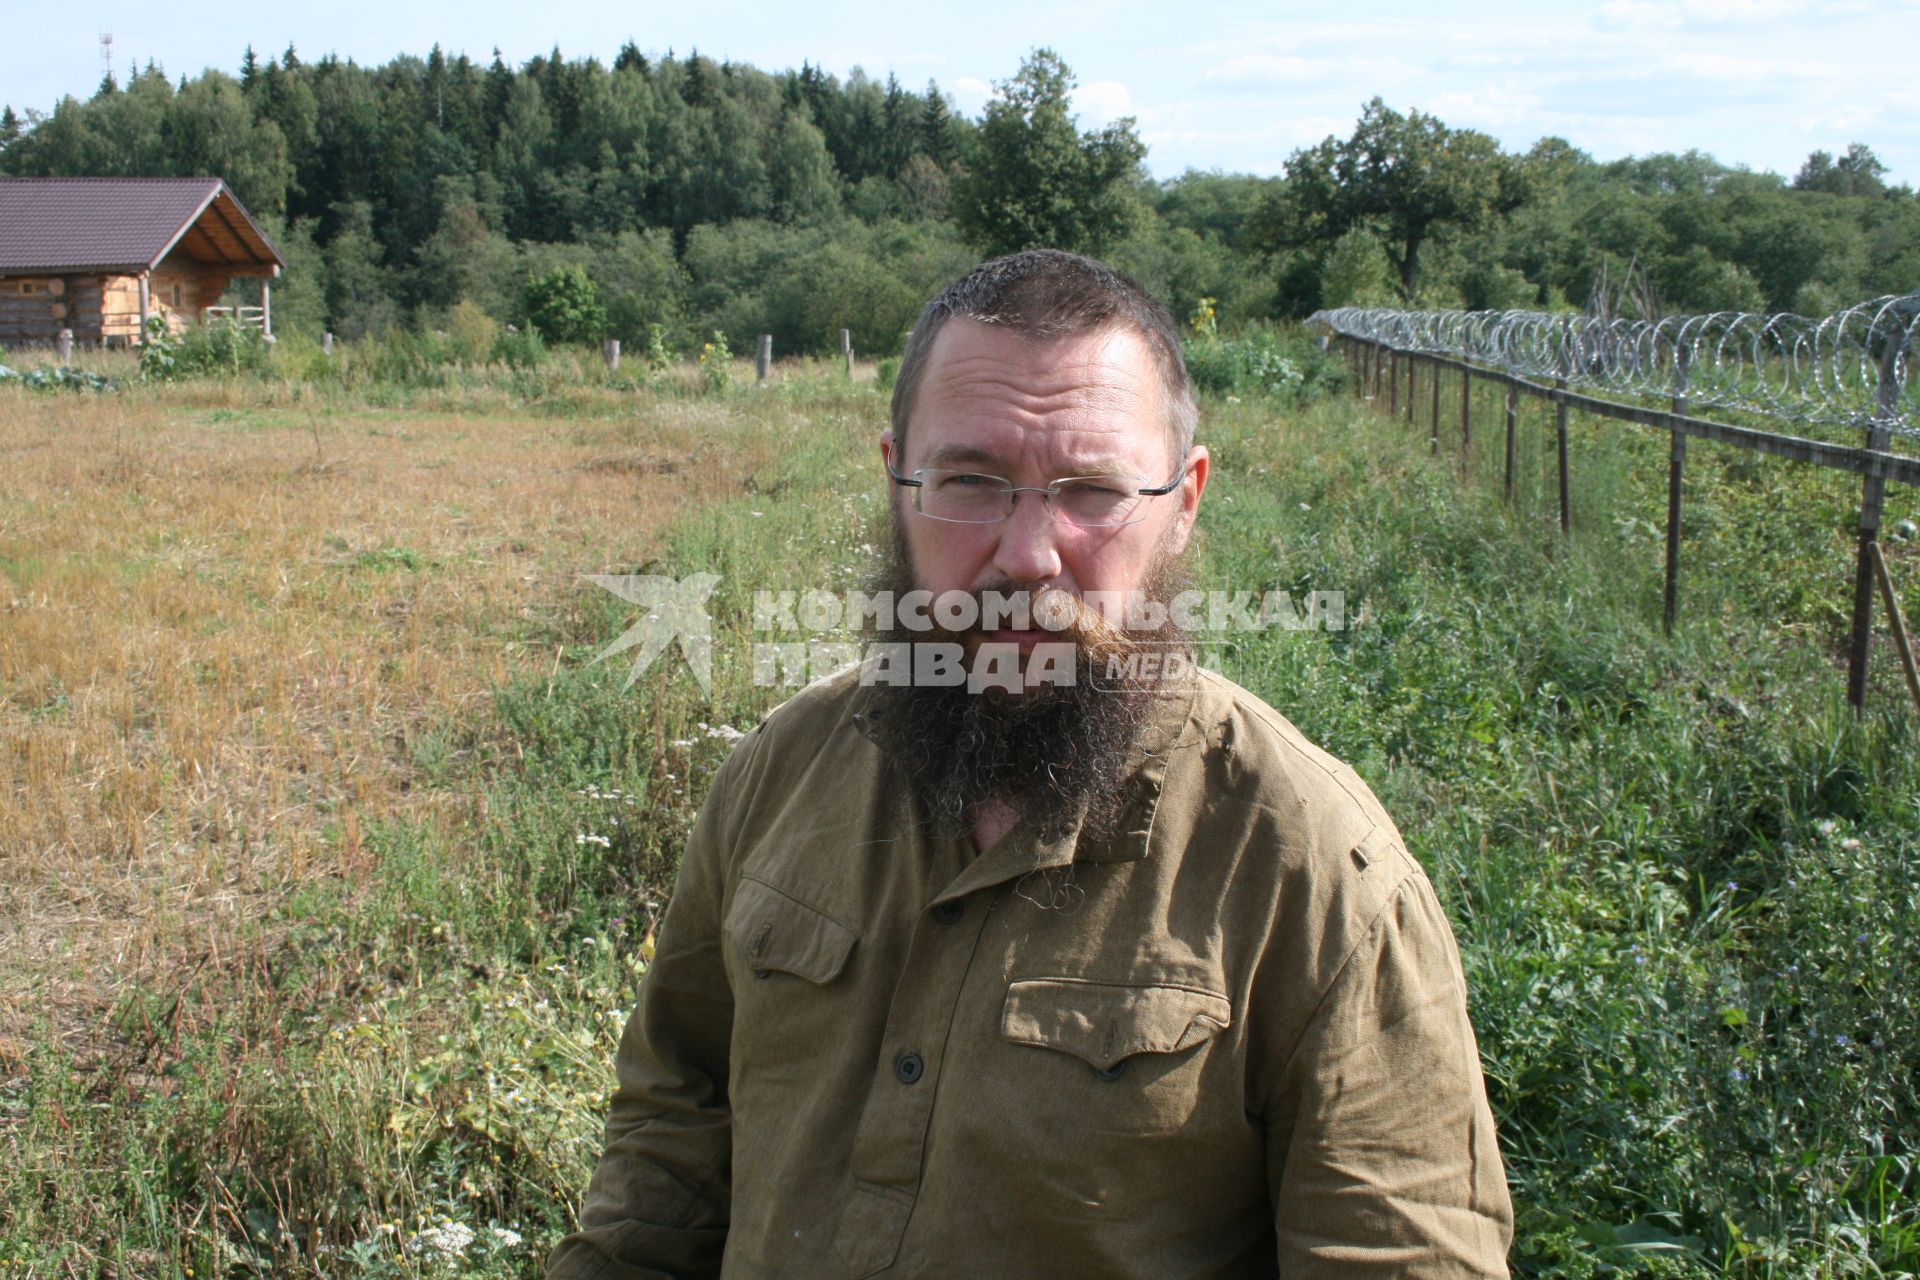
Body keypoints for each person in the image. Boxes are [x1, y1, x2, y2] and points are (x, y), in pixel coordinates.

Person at [548, 250, 1513, 1279]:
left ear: (1184, 501)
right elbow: (669, 1140)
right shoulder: (780, 774)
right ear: (896, 480)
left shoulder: (1317, 875)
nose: (1028, 554)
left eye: (1092, 490)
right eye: (970, 480)